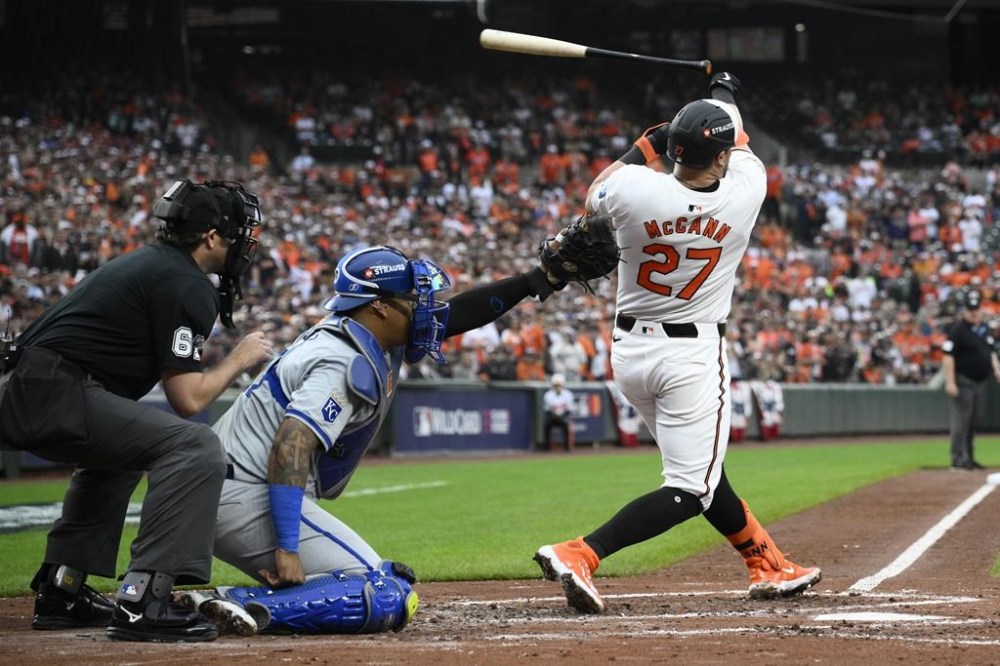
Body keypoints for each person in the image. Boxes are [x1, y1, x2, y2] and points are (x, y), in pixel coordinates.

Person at [534, 73, 821, 614]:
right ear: (719, 158)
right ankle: (582, 553)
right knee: (689, 489)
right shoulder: (745, 189)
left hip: (630, 355)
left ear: (671, 149)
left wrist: (646, 145)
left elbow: (598, 190)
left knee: (705, 472)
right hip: (691, 356)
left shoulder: (631, 189)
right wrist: (724, 86)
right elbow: (735, 134)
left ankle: (767, 561)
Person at [207, 244, 564, 634]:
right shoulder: (342, 357)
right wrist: (288, 548)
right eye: (412, 299)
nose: (423, 307)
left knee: (377, 576)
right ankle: (230, 604)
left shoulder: (360, 332)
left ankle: (230, 602)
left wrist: (534, 281)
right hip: (241, 494)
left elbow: (459, 313)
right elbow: (292, 443)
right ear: (379, 306)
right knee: (385, 593)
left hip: (227, 485)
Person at [0, 180, 273, 641]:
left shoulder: (154, 263)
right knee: (195, 446)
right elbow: (188, 399)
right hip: (48, 390)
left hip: (32, 385)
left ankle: (62, 589)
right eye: (238, 232)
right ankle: (144, 600)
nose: (246, 243)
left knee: (124, 454)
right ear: (210, 237)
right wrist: (239, 358)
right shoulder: (186, 281)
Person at [942, 288, 1000, 470]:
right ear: (965, 311)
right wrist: (950, 382)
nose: (974, 313)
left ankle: (968, 457)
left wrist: (997, 369)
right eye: (971, 310)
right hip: (963, 380)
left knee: (974, 421)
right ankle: (958, 458)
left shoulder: (984, 330)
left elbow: (991, 353)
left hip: (979, 382)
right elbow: (948, 356)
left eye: (976, 310)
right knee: (962, 421)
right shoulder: (958, 330)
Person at [542, 373, 576, 452]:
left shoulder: (568, 394)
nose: (557, 387)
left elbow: (569, 410)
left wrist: (562, 417)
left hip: (563, 417)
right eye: (556, 385)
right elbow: (547, 410)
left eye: (559, 385)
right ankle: (546, 447)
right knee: (546, 425)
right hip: (552, 417)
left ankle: (567, 447)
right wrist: (555, 416)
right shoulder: (548, 395)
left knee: (566, 424)